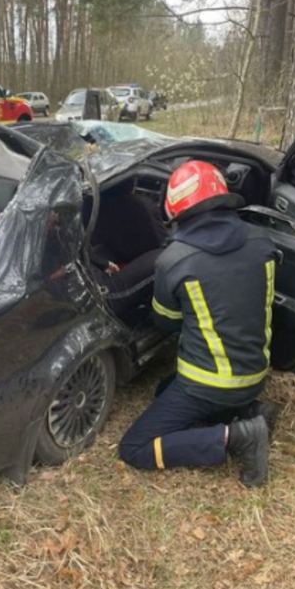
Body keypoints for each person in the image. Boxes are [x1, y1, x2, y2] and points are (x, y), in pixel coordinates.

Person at [118, 161, 278, 487]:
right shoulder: (263, 242)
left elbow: (165, 322)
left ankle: (237, 436)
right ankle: (251, 410)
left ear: (177, 211)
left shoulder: (175, 260)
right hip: (255, 372)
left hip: (207, 385)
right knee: (164, 389)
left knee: (134, 447)